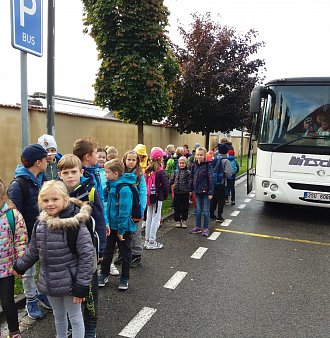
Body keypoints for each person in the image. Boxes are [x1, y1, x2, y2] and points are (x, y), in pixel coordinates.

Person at [14, 180, 95, 338]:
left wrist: (81, 285)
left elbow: (87, 256)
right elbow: (34, 250)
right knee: (58, 316)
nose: (50, 204)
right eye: (45, 200)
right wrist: (20, 266)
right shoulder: (40, 223)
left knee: (76, 318)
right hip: (49, 280)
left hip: (72, 283)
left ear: (65, 199)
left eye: (54, 199)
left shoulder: (75, 224)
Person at [57, 154, 107, 338]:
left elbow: (100, 223)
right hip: (66, 254)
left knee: (90, 291)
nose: (70, 176)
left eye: (73, 172)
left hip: (88, 251)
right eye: (66, 172)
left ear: (81, 172)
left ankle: (91, 325)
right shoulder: (57, 194)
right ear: (60, 174)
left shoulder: (91, 192)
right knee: (70, 291)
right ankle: (73, 323)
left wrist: (101, 250)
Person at [7, 144, 52, 319]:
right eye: (45, 160)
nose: (48, 163)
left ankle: (41, 293)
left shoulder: (43, 179)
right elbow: (15, 216)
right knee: (29, 271)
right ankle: (30, 299)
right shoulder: (18, 185)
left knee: (45, 267)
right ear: (38, 162)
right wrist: (21, 240)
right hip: (27, 238)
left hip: (45, 233)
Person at [98, 159, 137, 290]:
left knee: (125, 253)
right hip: (111, 227)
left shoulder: (124, 189)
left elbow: (125, 211)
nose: (105, 174)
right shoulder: (111, 185)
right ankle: (104, 273)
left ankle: (125, 277)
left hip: (123, 228)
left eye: (107, 172)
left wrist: (121, 230)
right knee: (107, 251)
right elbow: (104, 198)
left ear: (115, 174)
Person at [0, 178, 27, 338]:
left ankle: (14, 331)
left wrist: (20, 264)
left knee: (8, 302)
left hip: (7, 269)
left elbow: (21, 240)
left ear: (3, 197)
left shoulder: (12, 215)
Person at [122, 150, 147, 267]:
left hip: (135, 209)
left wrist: (142, 209)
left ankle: (137, 254)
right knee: (124, 232)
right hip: (124, 209)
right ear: (124, 160)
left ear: (137, 161)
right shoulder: (120, 173)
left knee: (135, 233)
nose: (131, 162)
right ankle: (123, 254)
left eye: (133, 160)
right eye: (129, 159)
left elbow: (143, 193)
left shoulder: (139, 176)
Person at [144, 147, 169, 249]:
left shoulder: (148, 170)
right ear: (160, 158)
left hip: (150, 197)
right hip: (158, 197)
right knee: (156, 219)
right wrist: (165, 196)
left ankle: (147, 240)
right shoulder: (161, 171)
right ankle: (152, 241)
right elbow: (166, 186)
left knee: (149, 218)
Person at [189, 146, 214, 237]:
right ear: (195, 156)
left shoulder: (208, 165)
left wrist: (211, 192)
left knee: (206, 210)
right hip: (197, 191)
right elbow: (191, 178)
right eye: (198, 155)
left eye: (201, 155)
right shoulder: (194, 166)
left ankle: (206, 227)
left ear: (204, 156)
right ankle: (198, 226)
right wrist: (191, 189)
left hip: (206, 191)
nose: (199, 156)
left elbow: (211, 178)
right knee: (198, 210)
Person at [210, 144, 232, 223]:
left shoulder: (214, 159)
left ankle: (211, 214)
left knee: (213, 199)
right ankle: (219, 216)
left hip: (212, 183)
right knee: (221, 201)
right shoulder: (226, 161)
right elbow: (229, 174)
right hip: (221, 183)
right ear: (226, 152)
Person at [170, 156, 190, 228]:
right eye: (180, 163)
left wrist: (190, 189)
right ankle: (177, 220)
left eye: (183, 163)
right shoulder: (175, 172)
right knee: (177, 206)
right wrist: (169, 184)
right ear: (178, 163)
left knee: (185, 206)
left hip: (185, 192)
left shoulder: (187, 172)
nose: (181, 165)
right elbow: (171, 180)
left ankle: (184, 220)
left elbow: (189, 182)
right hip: (177, 191)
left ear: (186, 164)